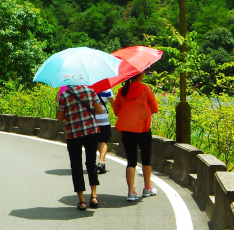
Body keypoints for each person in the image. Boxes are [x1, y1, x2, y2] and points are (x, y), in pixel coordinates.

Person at [112, 71, 159, 201]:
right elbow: (155, 108)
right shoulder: (145, 88)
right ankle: (147, 188)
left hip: (127, 130)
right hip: (143, 129)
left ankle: (131, 191)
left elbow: (116, 112)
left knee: (131, 161)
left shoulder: (122, 90)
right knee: (146, 159)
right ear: (139, 75)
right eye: (142, 73)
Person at [56, 84, 105, 210]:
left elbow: (60, 118)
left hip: (74, 134)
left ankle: (81, 200)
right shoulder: (90, 91)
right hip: (91, 132)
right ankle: (94, 196)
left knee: (76, 165)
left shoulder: (64, 95)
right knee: (91, 163)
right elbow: (100, 110)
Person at [95, 89, 113, 174]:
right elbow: (114, 104)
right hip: (104, 121)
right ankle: (101, 162)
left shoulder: (87, 88)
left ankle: (91, 163)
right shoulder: (107, 89)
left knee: (92, 142)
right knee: (104, 141)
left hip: (91, 121)